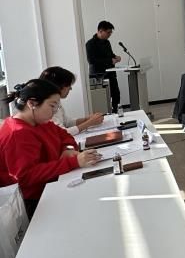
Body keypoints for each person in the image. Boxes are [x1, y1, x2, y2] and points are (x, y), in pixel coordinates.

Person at [0, 79, 102, 217]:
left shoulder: (41, 122)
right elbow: (26, 176)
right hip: (35, 201)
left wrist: (68, 149)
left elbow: (65, 136)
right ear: (32, 104)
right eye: (52, 106)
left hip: (53, 183)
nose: (54, 112)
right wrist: (74, 162)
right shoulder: (17, 133)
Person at [39, 66, 104, 135]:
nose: (70, 88)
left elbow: (67, 122)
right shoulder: (46, 107)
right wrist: (89, 123)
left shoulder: (55, 101)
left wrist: (87, 119)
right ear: (60, 86)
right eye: (69, 85)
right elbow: (62, 133)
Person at [85, 20, 121, 111]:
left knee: (116, 94)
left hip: (111, 73)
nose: (110, 34)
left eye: (111, 32)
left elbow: (110, 55)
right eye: (108, 32)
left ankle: (116, 112)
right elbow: (91, 61)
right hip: (98, 75)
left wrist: (115, 57)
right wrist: (110, 60)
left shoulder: (107, 42)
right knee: (102, 99)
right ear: (100, 31)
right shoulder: (90, 44)